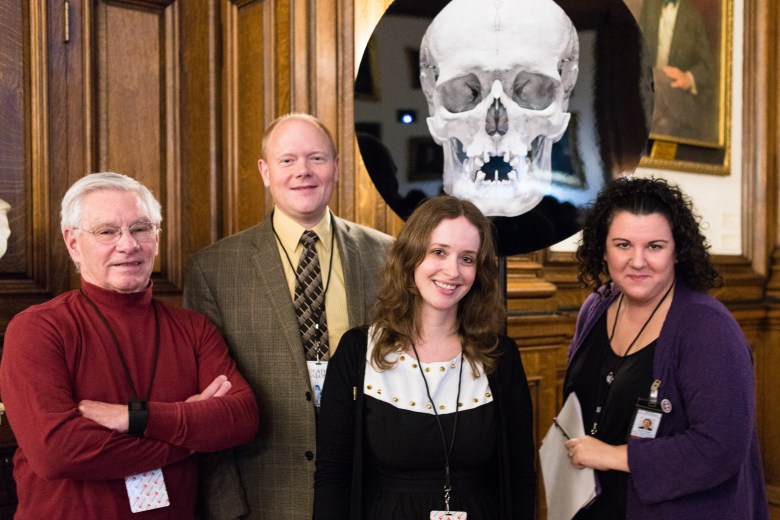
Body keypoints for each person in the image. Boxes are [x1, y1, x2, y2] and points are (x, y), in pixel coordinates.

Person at [0, 172, 259, 519]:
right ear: (73, 243)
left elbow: (242, 418)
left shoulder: (194, 328)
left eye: (141, 228)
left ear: (157, 236)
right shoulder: (38, 329)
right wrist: (190, 434)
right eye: (107, 231)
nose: (128, 245)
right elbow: (56, 453)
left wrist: (133, 418)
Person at [184, 113, 394, 518]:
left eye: (316, 158)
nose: (303, 171)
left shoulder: (388, 256)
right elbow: (211, 402)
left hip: (369, 489)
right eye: (287, 160)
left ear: (335, 165)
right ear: (265, 171)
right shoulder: (214, 269)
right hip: (266, 494)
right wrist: (225, 506)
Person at [314, 195, 536, 520]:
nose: (452, 270)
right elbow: (332, 477)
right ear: (411, 257)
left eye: (468, 258)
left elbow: (520, 477)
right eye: (439, 252)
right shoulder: (356, 350)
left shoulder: (501, 356)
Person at [562, 176, 768, 518]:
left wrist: (612, 455)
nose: (638, 261)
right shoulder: (595, 308)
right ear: (603, 247)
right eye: (623, 244)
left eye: (654, 246)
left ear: (678, 251)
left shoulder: (708, 329)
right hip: (596, 502)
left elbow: (720, 447)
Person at [639, 0, 717, 142]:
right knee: (662, 125)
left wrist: (688, 78)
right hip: (653, 94)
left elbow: (709, 67)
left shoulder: (692, 16)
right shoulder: (650, 8)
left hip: (679, 94)